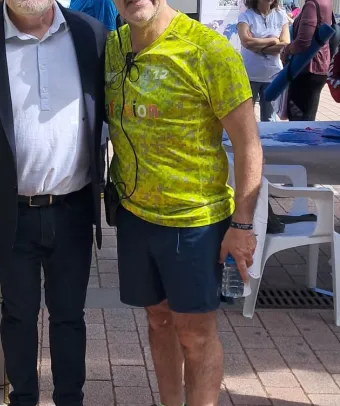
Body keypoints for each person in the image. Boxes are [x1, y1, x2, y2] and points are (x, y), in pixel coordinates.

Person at [105, 0, 262, 405]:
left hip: (195, 221)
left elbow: (248, 144)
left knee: (195, 333)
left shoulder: (208, 50)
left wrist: (242, 224)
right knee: (158, 320)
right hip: (135, 216)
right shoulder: (113, 46)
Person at [0, 0, 106, 404]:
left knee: (70, 316)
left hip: (73, 209)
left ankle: (70, 399)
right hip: (7, 212)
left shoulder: (90, 34)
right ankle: (22, 399)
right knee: (18, 315)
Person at [237, 0, 290, 122]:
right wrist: (273, 41)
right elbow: (246, 42)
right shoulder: (246, 16)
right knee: (247, 119)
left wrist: (257, 47)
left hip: (273, 76)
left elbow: (285, 45)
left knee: (270, 120)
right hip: (250, 75)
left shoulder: (281, 15)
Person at [281, 0, 333, 121]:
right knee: (308, 117)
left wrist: (286, 51)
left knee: (298, 119)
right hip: (319, 67)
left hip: (306, 67)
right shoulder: (326, 2)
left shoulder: (312, 5)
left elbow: (302, 42)